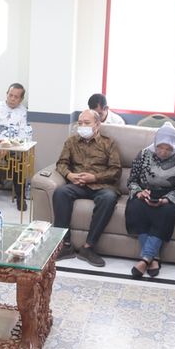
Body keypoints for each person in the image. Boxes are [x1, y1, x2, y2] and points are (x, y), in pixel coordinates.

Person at [53, 109, 122, 267]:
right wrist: (69, 175)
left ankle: (88, 247)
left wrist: (95, 177)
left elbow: (116, 170)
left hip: (102, 185)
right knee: (60, 192)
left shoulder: (108, 143)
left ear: (97, 125)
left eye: (87, 123)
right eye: (80, 123)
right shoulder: (71, 142)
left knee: (109, 198)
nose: (82, 126)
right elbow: (61, 163)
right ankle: (65, 244)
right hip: (78, 185)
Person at [125, 124, 175, 279]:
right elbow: (131, 181)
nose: (163, 152)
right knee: (135, 207)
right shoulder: (143, 154)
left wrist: (166, 199)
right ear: (155, 143)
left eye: (168, 148)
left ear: (174, 146)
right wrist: (140, 193)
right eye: (160, 147)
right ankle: (153, 259)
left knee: (167, 212)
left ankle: (145, 259)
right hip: (145, 193)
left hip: (168, 195)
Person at [0, 82, 31, 211]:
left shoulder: (23, 112)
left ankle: (20, 197)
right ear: (7, 94)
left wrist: (7, 145)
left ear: (21, 99)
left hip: (12, 147)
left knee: (18, 162)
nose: (12, 99)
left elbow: (21, 134)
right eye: (10, 95)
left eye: (16, 97)